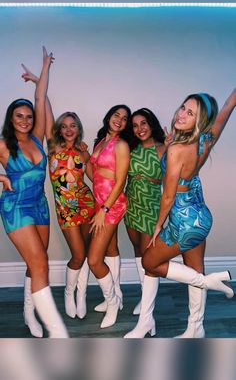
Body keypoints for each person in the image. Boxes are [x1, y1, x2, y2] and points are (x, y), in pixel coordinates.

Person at [124, 90, 236, 338]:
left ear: (200, 120)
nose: (182, 114)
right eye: (183, 107)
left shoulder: (176, 149)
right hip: (199, 217)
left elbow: (167, 196)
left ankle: (209, 282)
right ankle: (195, 328)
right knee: (194, 268)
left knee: (149, 262)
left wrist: (157, 227)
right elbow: (227, 108)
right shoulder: (207, 139)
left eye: (191, 112)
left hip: (183, 222)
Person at [0, 47, 68, 338]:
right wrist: (1, 177)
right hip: (16, 208)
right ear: (11, 118)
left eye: (28, 116)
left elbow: (41, 98)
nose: (26, 120)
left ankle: (29, 311)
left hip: (39, 206)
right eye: (20, 116)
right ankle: (57, 332)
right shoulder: (3, 144)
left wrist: (43, 68)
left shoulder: (38, 137)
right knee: (40, 263)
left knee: (36, 262)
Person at [21, 67, 95, 321]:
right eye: (64, 126)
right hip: (66, 210)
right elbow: (46, 109)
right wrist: (37, 82)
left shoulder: (84, 151)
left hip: (87, 204)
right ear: (59, 130)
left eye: (73, 125)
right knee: (78, 254)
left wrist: (88, 157)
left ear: (78, 128)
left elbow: (94, 179)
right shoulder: (52, 148)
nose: (69, 129)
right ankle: (68, 292)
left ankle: (82, 295)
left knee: (86, 251)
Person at [87, 104, 131, 328]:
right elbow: (94, 173)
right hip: (99, 201)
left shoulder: (121, 145)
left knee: (94, 259)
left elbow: (120, 181)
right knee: (111, 248)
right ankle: (118, 295)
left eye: (124, 118)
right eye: (117, 115)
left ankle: (112, 302)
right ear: (109, 116)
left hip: (111, 205)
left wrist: (104, 210)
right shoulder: (100, 141)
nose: (120, 120)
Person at [124, 108, 166, 315]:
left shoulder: (163, 148)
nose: (140, 129)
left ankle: (148, 306)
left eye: (143, 123)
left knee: (149, 256)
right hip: (130, 205)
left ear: (151, 124)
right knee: (138, 251)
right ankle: (144, 293)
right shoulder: (130, 149)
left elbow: (173, 180)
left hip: (151, 207)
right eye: (135, 125)